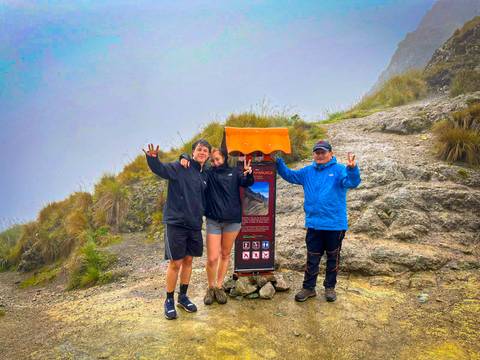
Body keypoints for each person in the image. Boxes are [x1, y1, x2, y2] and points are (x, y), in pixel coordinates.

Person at [275, 140, 361, 302]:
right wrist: (277, 161)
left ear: (331, 154)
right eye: (317, 152)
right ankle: (308, 288)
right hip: (314, 224)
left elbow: (353, 182)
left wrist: (352, 169)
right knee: (312, 257)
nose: (320, 155)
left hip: (335, 224)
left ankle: (329, 288)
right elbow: (289, 175)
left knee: (332, 258)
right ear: (314, 155)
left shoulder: (340, 170)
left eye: (323, 152)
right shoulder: (308, 172)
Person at [143, 139, 211, 320]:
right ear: (193, 152)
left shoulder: (205, 175)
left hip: (195, 224)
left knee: (189, 260)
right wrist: (153, 160)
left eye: (205, 150)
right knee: (175, 263)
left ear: (208, 155)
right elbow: (161, 170)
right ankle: (169, 300)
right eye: (199, 149)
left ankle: (183, 297)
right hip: (176, 223)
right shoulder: (180, 166)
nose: (202, 152)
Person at [180, 148, 254, 305]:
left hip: (233, 221)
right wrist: (185, 156)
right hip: (213, 220)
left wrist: (248, 173)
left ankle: (219, 287)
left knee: (225, 254)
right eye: (212, 160)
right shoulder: (208, 173)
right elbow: (194, 168)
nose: (215, 163)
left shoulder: (234, 172)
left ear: (224, 158)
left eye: (218, 159)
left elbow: (246, 182)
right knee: (212, 258)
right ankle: (210, 287)